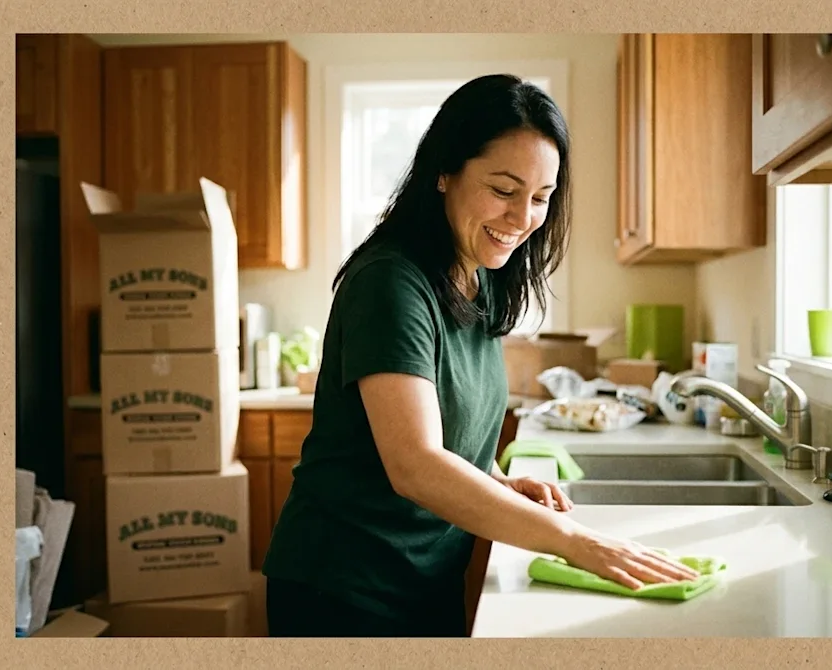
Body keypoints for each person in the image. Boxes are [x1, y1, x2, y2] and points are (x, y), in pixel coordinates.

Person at [260, 73, 700, 638]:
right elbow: (415, 464)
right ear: (444, 172)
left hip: (425, 580)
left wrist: (495, 480)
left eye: (541, 198)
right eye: (504, 190)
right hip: (343, 589)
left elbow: (452, 425)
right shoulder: (391, 283)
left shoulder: (477, 276)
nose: (523, 219)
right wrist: (574, 542)